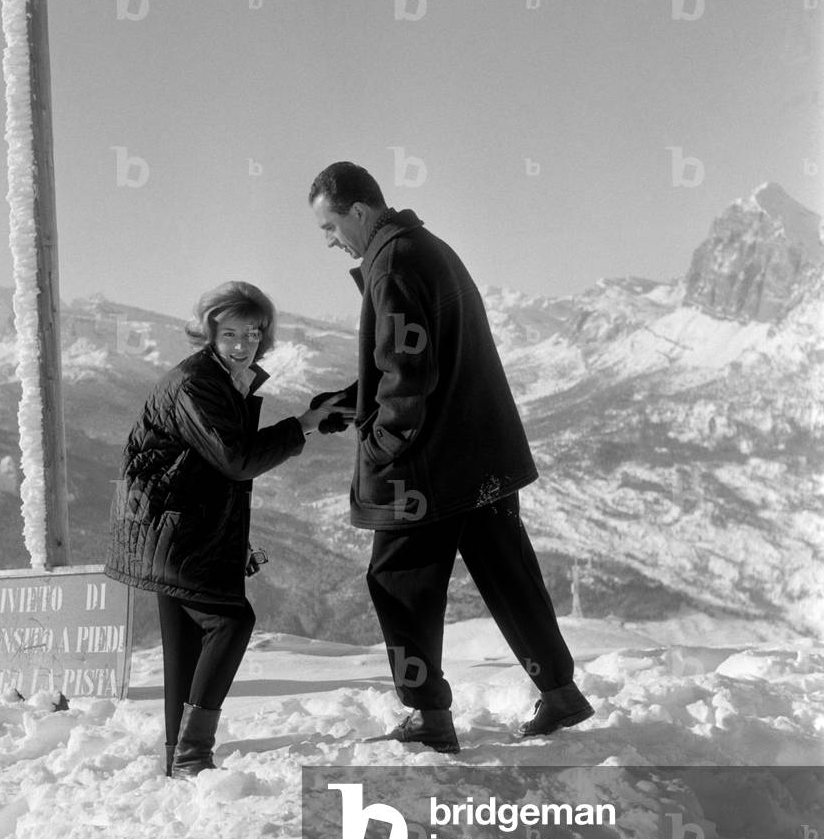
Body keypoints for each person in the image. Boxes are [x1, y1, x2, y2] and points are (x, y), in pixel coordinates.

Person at [307, 161, 594, 752]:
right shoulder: (426, 246)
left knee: (396, 583)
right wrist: (352, 400)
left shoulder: (390, 263)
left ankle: (428, 718)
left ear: (358, 211)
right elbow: (420, 355)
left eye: (329, 227)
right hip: (480, 454)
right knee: (508, 573)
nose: (331, 242)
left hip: (427, 468)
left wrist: (384, 446)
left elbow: (408, 372)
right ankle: (561, 693)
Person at [104, 282, 346, 778]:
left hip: (166, 527)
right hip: (174, 531)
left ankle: (178, 755)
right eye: (230, 332)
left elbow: (215, 459)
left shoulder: (224, 379)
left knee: (186, 643)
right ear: (210, 330)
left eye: (252, 333)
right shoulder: (197, 383)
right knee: (231, 622)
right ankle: (192, 755)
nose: (242, 343)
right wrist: (301, 426)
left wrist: (310, 421)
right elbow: (236, 460)